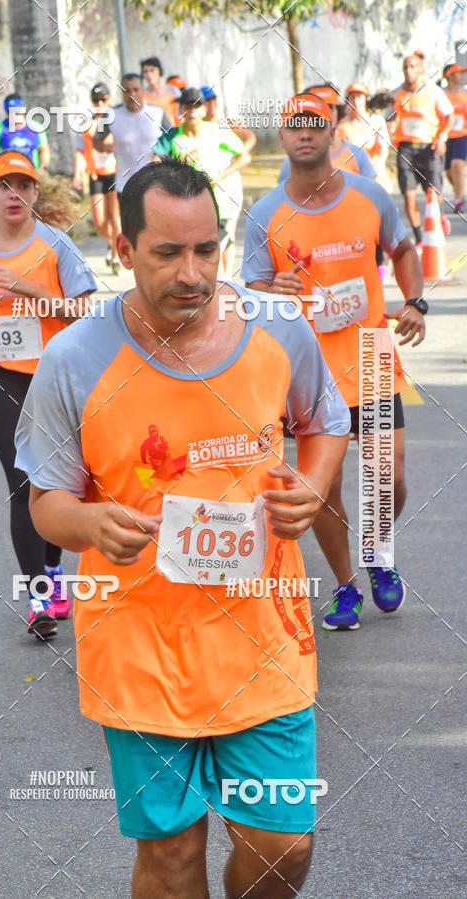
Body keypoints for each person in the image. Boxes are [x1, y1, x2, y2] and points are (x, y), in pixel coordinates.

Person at [15, 156, 350, 897]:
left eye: (206, 249)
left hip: (264, 641)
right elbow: (46, 501)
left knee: (283, 845)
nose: (192, 272)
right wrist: (91, 522)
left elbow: (325, 420)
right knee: (170, 858)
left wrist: (313, 480)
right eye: (168, 252)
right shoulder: (75, 358)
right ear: (125, 249)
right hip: (141, 649)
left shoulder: (276, 329)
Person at [242, 93, 426, 631]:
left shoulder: (371, 196)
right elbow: (249, 289)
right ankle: (346, 585)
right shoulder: (265, 213)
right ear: (283, 138)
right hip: (307, 370)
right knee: (323, 489)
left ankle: (376, 553)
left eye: (315, 126)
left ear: (332, 133)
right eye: (295, 127)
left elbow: (404, 249)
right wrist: (269, 286)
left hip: (370, 358)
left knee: (388, 481)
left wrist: (414, 301)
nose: (305, 134)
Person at [0, 150, 96, 639]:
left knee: (55, 481)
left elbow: (81, 312)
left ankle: (52, 573)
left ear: (35, 194)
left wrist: (28, 288)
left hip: (54, 379)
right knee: (20, 481)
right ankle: (38, 597)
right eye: (3, 185)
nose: (13, 195)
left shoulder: (56, 246)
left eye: (23, 186)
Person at [152, 87, 251, 274]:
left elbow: (244, 157)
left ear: (204, 110)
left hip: (216, 205)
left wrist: (220, 176)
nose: (192, 112)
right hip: (183, 208)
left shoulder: (216, 132)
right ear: (181, 110)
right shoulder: (171, 137)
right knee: (192, 259)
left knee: (215, 258)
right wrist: (185, 160)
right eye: (188, 107)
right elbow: (154, 168)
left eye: (197, 107)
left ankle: (224, 290)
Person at [390, 54, 453, 241]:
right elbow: (388, 116)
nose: (409, 70)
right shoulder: (397, 94)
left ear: (420, 70)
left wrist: (442, 137)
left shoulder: (432, 91)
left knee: (433, 195)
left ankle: (436, 217)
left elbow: (449, 115)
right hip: (406, 149)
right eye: (406, 67)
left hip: (429, 148)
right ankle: (419, 238)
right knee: (409, 196)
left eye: (412, 66)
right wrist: (391, 127)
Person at [201, 84, 257, 276]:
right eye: (206, 101)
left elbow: (250, 137)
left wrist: (241, 152)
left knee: (229, 230)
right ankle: (219, 276)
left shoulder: (225, 123)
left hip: (229, 183)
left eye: (213, 99)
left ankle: (227, 276)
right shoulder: (197, 128)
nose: (211, 105)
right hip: (209, 186)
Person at [93, 73, 171, 205]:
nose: (132, 94)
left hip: (155, 184)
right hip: (125, 185)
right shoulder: (111, 114)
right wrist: (105, 147)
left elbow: (172, 138)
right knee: (130, 226)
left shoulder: (157, 112)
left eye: (136, 89)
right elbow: (96, 140)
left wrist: (161, 154)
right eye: (127, 91)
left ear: (143, 90)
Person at [277, 84, 377, 183]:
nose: (326, 113)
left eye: (330, 107)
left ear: (338, 112)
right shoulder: (293, 161)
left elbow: (371, 194)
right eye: (318, 107)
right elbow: (283, 195)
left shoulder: (358, 155)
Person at [73, 82, 121, 273]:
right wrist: (77, 173)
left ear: (109, 99)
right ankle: (113, 244)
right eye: (96, 100)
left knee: (115, 217)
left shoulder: (118, 121)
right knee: (99, 222)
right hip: (96, 176)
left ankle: (116, 257)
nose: (100, 103)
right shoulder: (86, 123)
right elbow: (80, 150)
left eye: (104, 99)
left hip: (115, 173)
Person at [337, 82, 393, 192]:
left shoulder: (377, 122)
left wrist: (379, 163)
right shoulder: (342, 126)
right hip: (352, 176)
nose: (356, 102)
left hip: (375, 173)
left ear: (365, 100)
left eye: (359, 97)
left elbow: (383, 148)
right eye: (352, 97)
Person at [0, 94, 51, 170]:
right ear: (6, 112)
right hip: (8, 174)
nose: (14, 115)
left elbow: (44, 150)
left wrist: (43, 168)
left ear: (23, 108)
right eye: (10, 112)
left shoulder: (36, 127)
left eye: (17, 111)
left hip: (31, 174)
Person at [442, 63, 467, 213]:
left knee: (457, 165)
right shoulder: (441, 94)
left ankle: (458, 201)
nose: (460, 76)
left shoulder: (464, 94)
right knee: (449, 171)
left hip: (462, 134)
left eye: (461, 73)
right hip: (445, 136)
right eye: (457, 73)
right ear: (449, 76)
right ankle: (459, 190)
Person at [141, 55, 179, 125]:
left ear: (159, 71)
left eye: (152, 70)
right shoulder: (141, 95)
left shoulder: (173, 90)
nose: (149, 74)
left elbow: (181, 112)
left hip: (173, 132)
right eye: (145, 72)